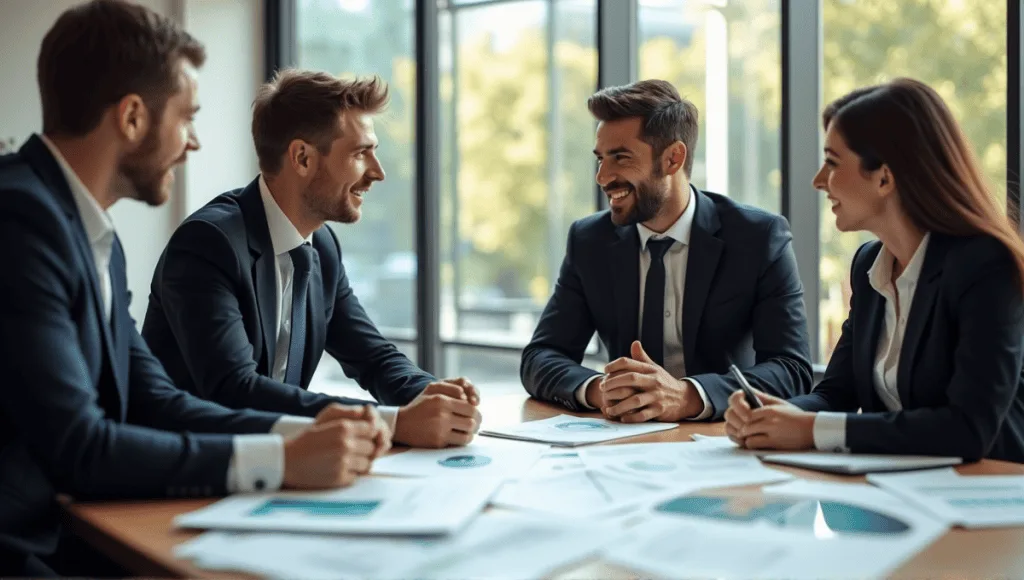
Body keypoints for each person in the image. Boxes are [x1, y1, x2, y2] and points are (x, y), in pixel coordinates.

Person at [0, 3, 389, 575]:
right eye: (186, 118)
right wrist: (279, 458)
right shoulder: (20, 220)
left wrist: (310, 432)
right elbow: (80, 446)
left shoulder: (88, 233)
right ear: (133, 118)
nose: (194, 144)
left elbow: (155, 400)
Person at [142, 69, 482, 449]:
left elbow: (373, 357)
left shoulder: (322, 247)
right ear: (302, 158)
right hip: (190, 471)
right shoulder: (209, 243)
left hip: (280, 467)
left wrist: (431, 395)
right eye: (360, 153)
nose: (378, 172)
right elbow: (234, 390)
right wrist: (393, 423)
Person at [724, 78, 1024, 463]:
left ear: (884, 177)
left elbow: (968, 429)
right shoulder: (869, 265)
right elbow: (836, 393)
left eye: (832, 162)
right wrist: (778, 414)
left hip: (992, 493)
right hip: (902, 490)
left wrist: (809, 430)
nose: (819, 181)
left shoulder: (985, 266)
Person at [520, 79, 812, 423]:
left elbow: (791, 369)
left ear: (673, 158)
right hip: (621, 441)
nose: (602, 177)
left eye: (620, 157)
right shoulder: (590, 241)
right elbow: (541, 355)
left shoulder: (758, 237)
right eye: (600, 159)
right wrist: (600, 389)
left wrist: (688, 396)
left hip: (722, 439)